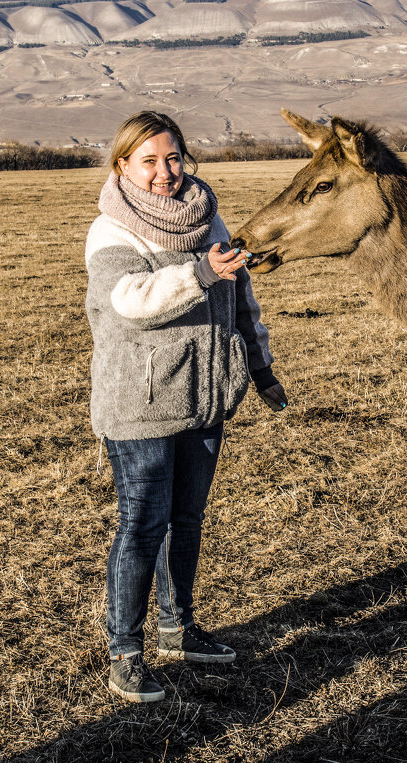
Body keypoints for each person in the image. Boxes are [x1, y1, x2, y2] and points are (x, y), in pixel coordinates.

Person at [85, 111, 288, 703]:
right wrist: (199, 273)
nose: (164, 172)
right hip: (141, 404)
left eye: (172, 158)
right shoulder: (112, 232)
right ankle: (125, 648)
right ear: (123, 165)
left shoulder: (208, 218)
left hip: (205, 396)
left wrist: (260, 366)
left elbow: (242, 299)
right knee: (141, 527)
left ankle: (177, 627)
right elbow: (130, 301)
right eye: (148, 161)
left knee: (187, 521)